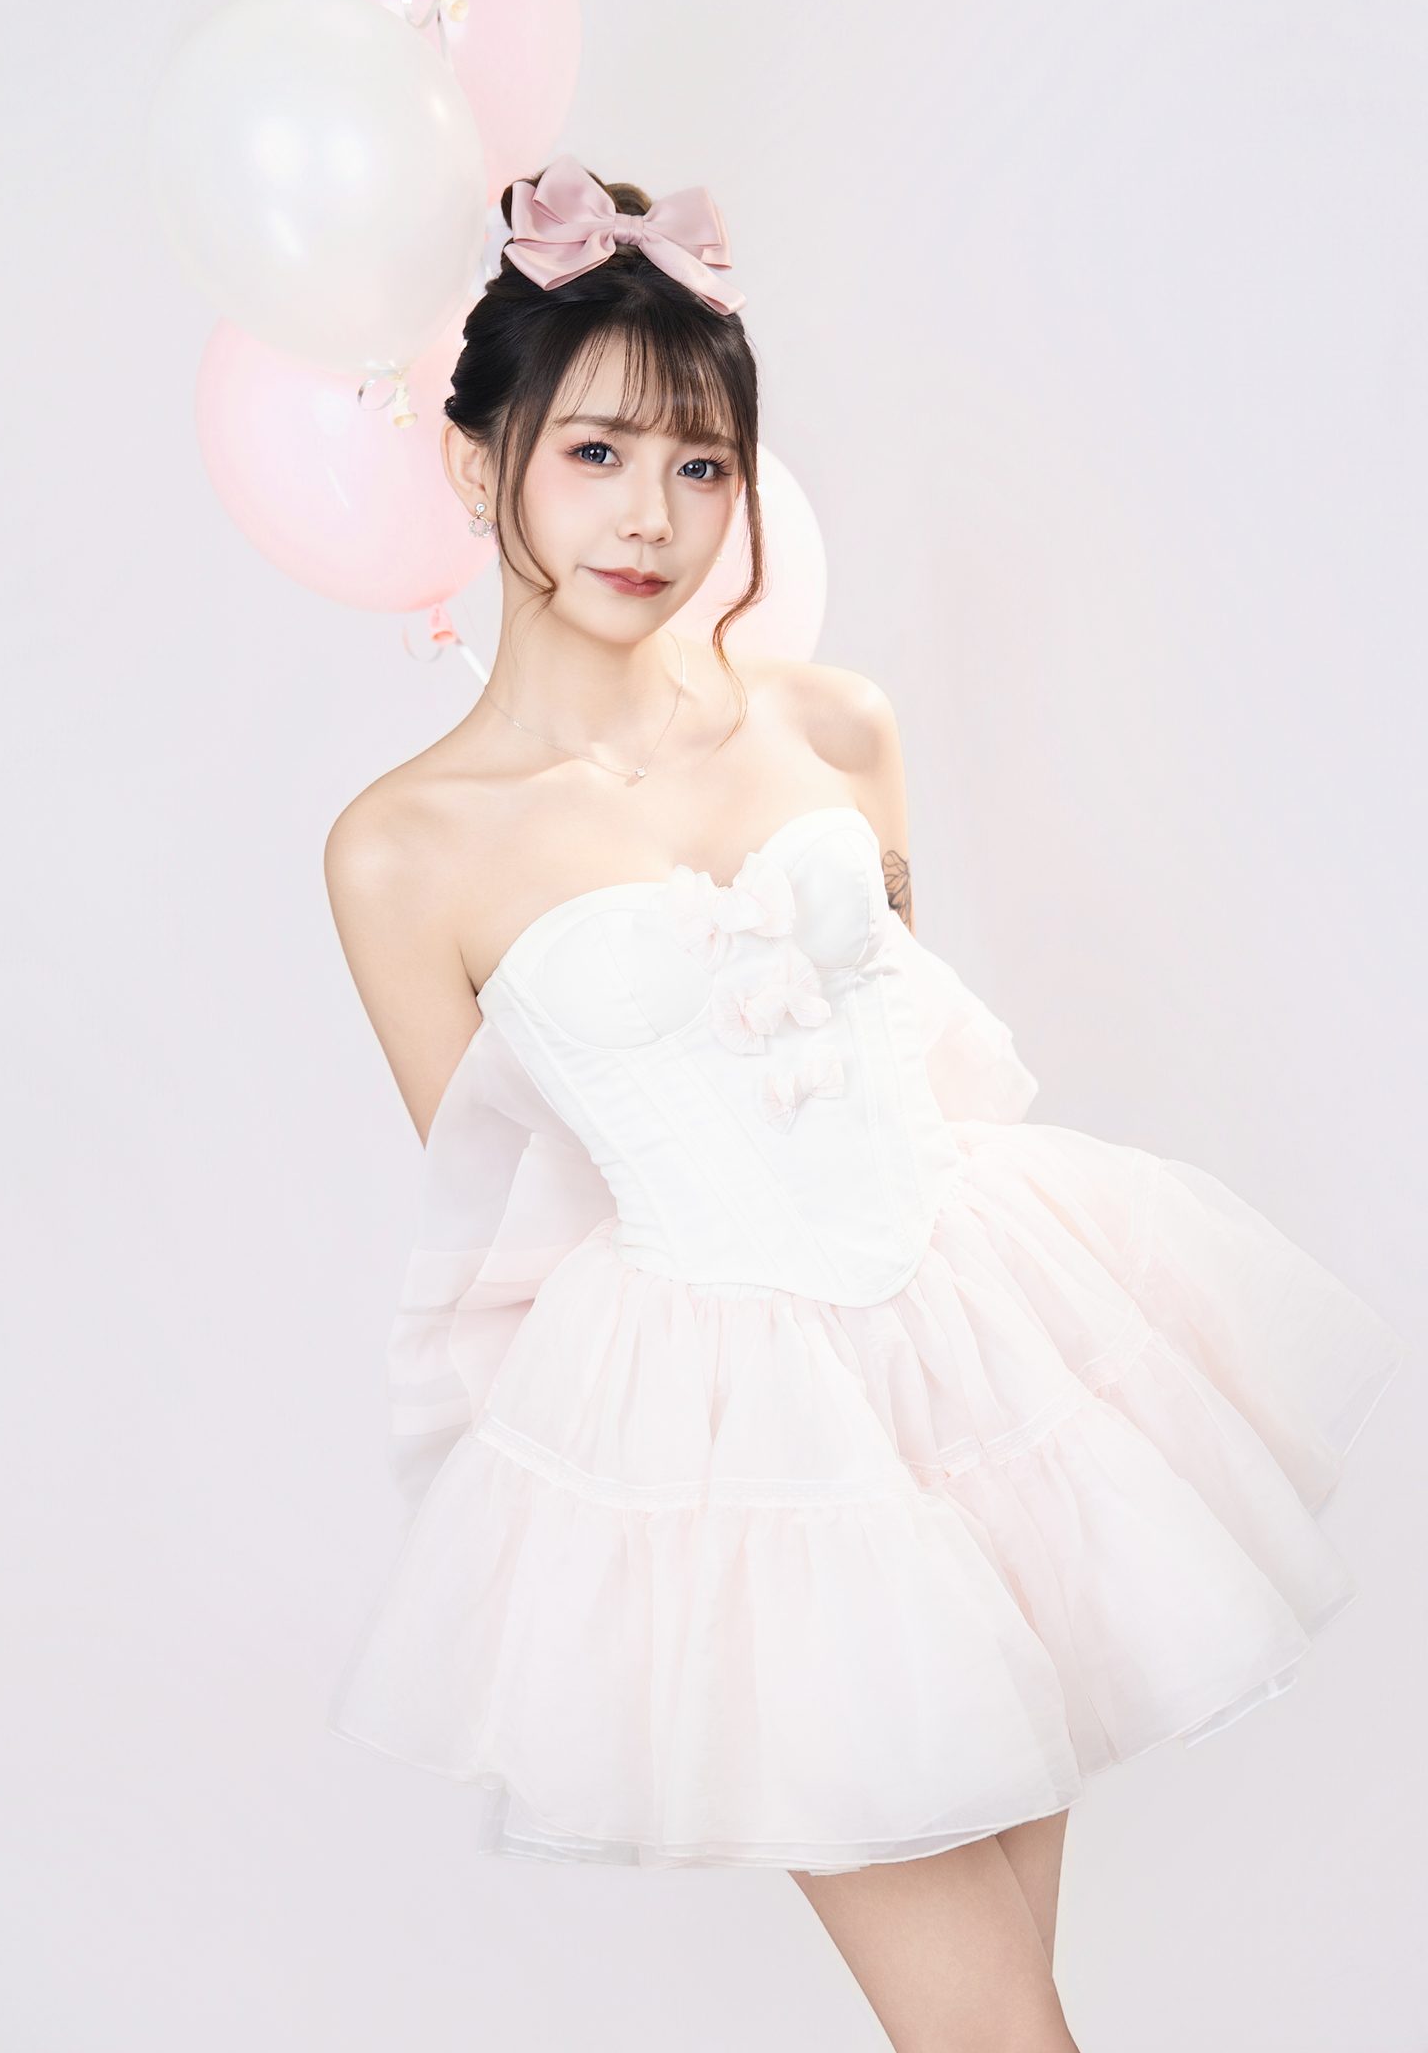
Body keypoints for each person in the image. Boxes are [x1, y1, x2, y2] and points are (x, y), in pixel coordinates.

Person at [320, 153, 1408, 2050]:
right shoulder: (404, 850)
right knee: (995, 2032)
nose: (650, 515)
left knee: (1001, 2017)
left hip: (992, 1367)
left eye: (701, 464)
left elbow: (907, 1045)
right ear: (476, 463)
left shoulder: (838, 726)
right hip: (766, 1456)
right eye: (595, 453)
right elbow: (509, 1221)